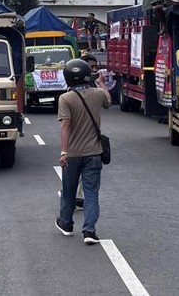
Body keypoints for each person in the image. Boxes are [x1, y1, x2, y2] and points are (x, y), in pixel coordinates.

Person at [55, 58, 111, 246]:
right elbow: (108, 101)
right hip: (94, 153)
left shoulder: (66, 98)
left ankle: (66, 223)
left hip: (72, 154)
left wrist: (64, 152)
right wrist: (102, 83)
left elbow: (65, 127)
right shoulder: (97, 94)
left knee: (69, 192)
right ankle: (89, 231)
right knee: (91, 194)